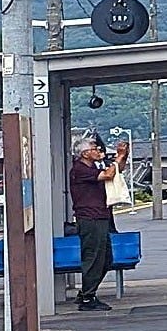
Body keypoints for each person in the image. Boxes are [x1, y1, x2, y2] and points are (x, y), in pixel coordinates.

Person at [68, 133, 129, 311]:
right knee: (93, 257)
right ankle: (88, 297)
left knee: (106, 259)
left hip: (101, 216)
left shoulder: (94, 166)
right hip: (90, 217)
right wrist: (117, 157)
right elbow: (109, 175)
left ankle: (87, 291)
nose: (98, 151)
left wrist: (122, 157)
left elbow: (117, 171)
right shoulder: (80, 169)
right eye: (94, 149)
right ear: (85, 153)